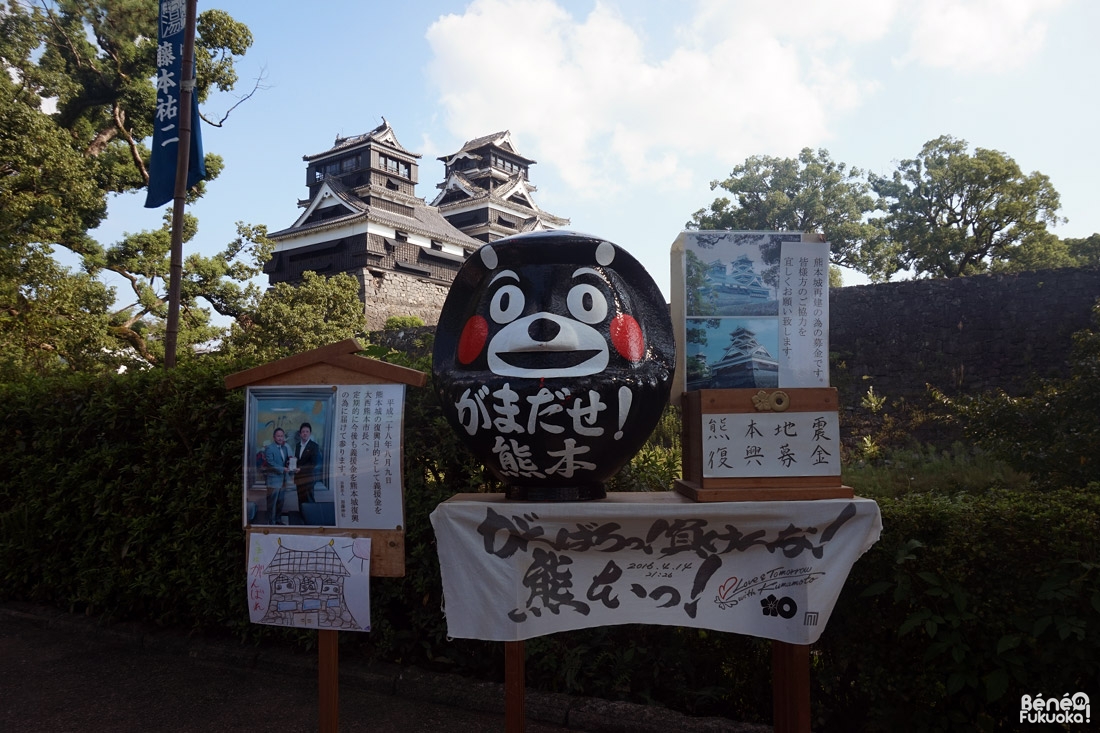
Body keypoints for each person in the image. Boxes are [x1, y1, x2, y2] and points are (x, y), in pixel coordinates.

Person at [262, 427, 292, 523]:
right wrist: (283, 469)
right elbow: (270, 463)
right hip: (273, 481)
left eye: (282, 436)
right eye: (278, 436)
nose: (280, 438)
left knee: (280, 502)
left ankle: (278, 521)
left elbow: (285, 462)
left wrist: (290, 464)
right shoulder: (269, 448)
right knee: (272, 504)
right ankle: (271, 523)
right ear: (274, 437)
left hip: (283, 481)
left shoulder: (285, 448)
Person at [294, 422, 322, 507]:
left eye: (307, 431)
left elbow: (313, 463)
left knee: (309, 499)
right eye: (303, 431)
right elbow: (298, 461)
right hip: (299, 478)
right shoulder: (298, 446)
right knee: (300, 500)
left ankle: (311, 520)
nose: (305, 433)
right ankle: (302, 518)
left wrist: (301, 469)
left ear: (310, 433)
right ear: (300, 434)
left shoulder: (314, 446)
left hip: (308, 478)